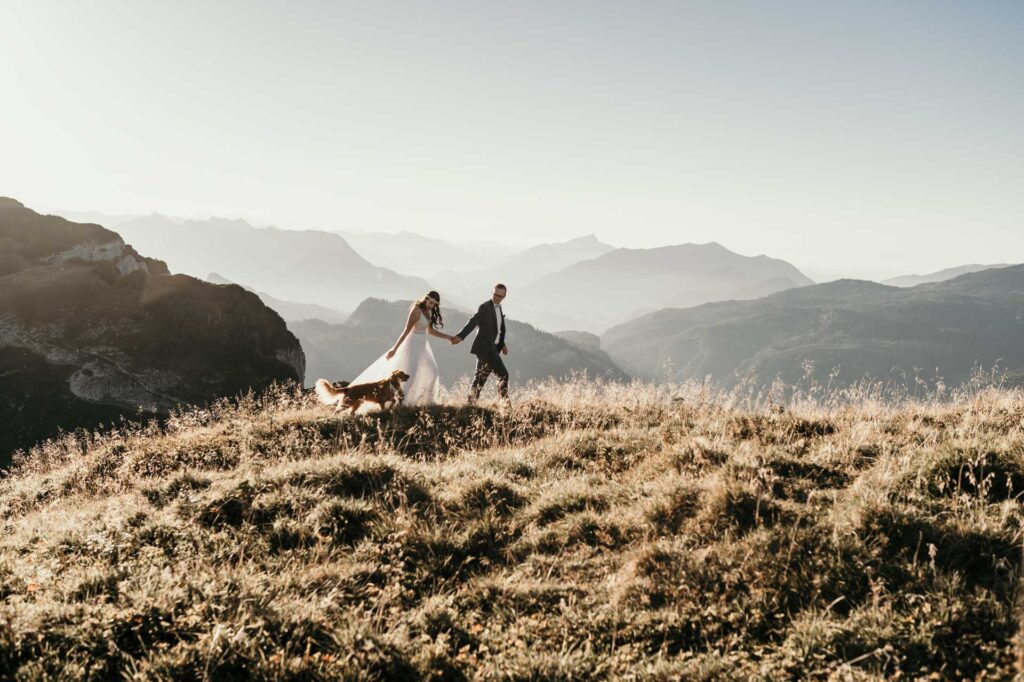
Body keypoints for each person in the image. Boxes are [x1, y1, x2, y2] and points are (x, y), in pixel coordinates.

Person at [348, 291, 456, 407]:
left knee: (432, 371)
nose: (431, 306)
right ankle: (402, 404)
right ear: (426, 299)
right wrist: (394, 349)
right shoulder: (416, 310)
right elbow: (406, 331)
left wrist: (448, 337)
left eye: (434, 304)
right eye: (430, 302)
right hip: (412, 345)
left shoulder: (428, 311)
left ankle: (427, 401)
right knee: (411, 375)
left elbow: (429, 331)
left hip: (423, 346)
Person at [450, 283, 510, 403]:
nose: (497, 298)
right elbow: (472, 322)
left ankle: (470, 404)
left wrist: (502, 344)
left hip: (490, 348)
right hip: (486, 349)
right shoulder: (484, 307)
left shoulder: (498, 307)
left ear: (504, 297)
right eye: (495, 295)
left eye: (500, 296)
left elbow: (498, 328)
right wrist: (461, 336)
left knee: (480, 378)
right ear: (492, 293)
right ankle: (505, 405)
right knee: (503, 375)